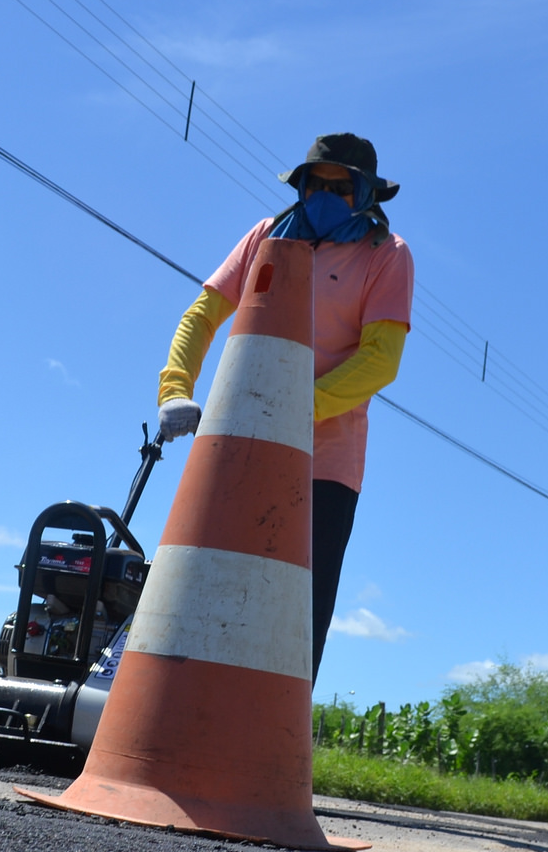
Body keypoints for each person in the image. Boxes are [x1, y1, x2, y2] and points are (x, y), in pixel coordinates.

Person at [154, 133, 414, 682]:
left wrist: (295, 411)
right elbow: (200, 316)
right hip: (235, 447)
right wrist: (175, 390)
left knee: (296, 612)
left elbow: (381, 360)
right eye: (316, 183)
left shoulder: (386, 256)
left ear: (366, 195)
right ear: (300, 184)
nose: (324, 195)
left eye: (340, 188)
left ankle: (267, 743)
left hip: (325, 467)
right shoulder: (265, 237)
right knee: (206, 583)